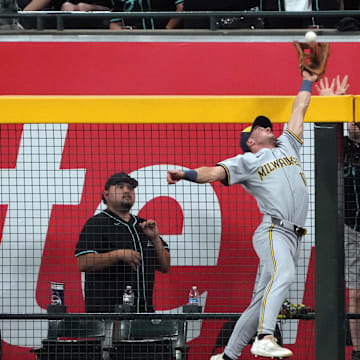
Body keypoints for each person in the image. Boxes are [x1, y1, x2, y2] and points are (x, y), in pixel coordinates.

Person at [167, 69, 318, 359]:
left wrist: (308, 80)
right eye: (259, 128)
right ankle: (264, 336)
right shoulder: (247, 160)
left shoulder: (288, 146)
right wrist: (184, 173)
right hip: (274, 231)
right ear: (250, 140)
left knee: (259, 300)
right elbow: (212, 172)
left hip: (292, 235)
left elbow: (299, 108)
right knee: (284, 274)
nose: (265, 128)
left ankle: (228, 356)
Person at [75, 172, 170, 313]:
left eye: (130, 188)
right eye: (120, 187)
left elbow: (165, 266)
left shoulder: (143, 225)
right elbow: (82, 262)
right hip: (107, 315)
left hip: (143, 313)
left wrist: (155, 239)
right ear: (106, 195)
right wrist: (118, 255)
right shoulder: (97, 224)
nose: (127, 191)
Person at [316, 75, 360, 360]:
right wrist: (334, 104)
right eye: (353, 121)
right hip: (351, 229)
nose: (356, 126)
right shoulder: (342, 148)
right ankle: (358, 351)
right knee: (355, 294)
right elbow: (327, 130)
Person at [109, 0, 184, 30]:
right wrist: (125, 34)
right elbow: (114, 22)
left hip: (164, 36)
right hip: (134, 38)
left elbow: (181, 7)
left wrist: (167, 29)